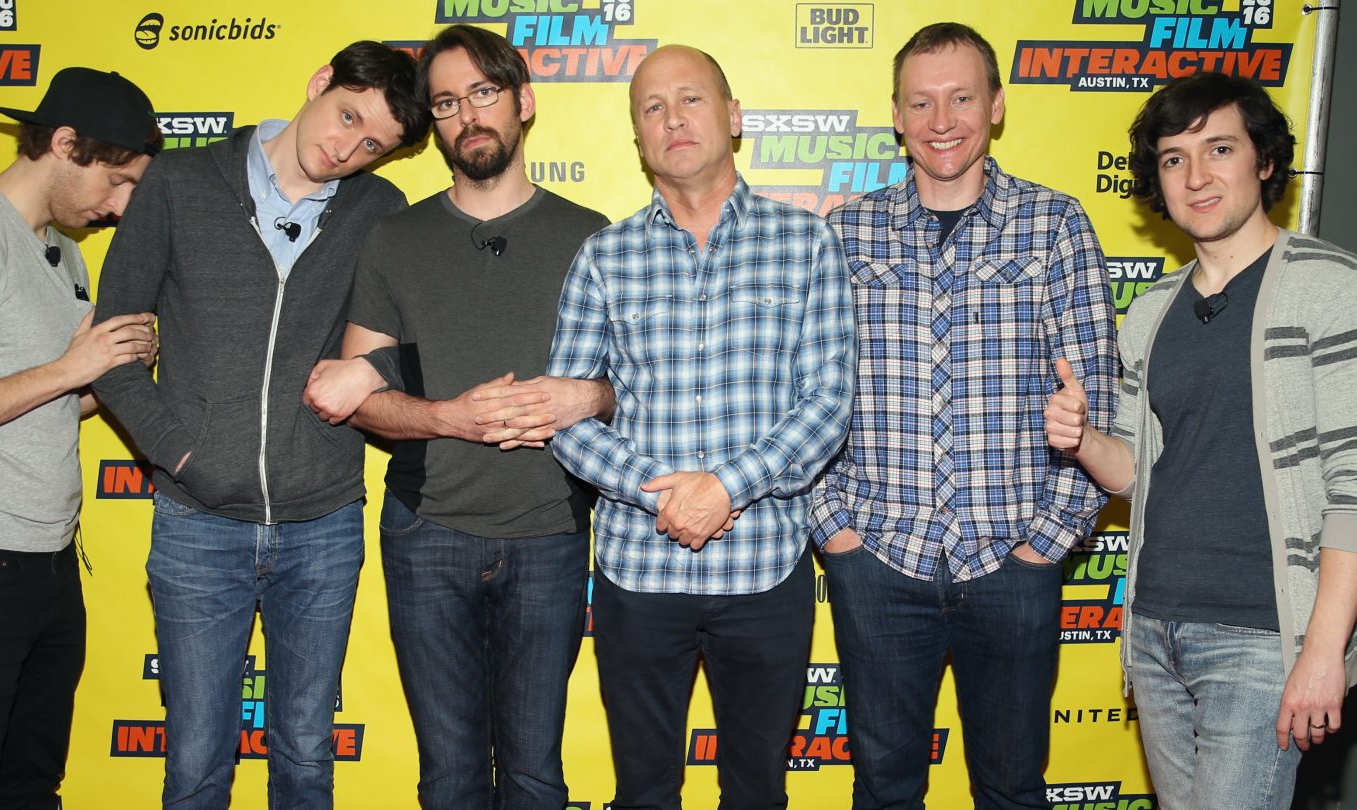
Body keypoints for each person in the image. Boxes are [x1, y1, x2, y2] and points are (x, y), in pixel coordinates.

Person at [89, 42, 429, 808]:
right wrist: (184, 455)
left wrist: (372, 372)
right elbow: (109, 354)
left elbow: (413, 347)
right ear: (318, 84)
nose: (346, 147)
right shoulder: (179, 182)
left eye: (372, 143)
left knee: (307, 756)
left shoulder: (379, 212)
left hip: (324, 521)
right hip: (196, 522)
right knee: (198, 762)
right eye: (346, 115)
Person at [300, 24, 612, 809]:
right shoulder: (394, 239)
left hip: (550, 532)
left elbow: (641, 387)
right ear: (432, 123)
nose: (467, 115)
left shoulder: (593, 237)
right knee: (449, 776)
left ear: (523, 102)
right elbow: (360, 391)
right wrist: (451, 417)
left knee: (537, 772)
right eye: (445, 102)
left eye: (484, 93)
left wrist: (591, 397)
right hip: (426, 533)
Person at [811, 22, 1117, 809]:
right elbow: (801, 392)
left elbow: (1098, 403)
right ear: (897, 114)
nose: (941, 119)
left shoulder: (1055, 226)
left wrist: (1044, 545)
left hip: (1013, 564)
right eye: (921, 102)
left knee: (1012, 789)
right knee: (883, 788)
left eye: (960, 98)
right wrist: (836, 533)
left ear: (997, 105)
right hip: (877, 559)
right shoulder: (844, 234)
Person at [545, 44, 854, 810]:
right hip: (637, 573)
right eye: (653, 107)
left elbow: (827, 404)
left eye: (690, 99)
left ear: (734, 116)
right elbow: (567, 416)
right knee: (644, 792)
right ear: (638, 136)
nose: (673, 118)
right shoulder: (603, 257)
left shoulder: (805, 243)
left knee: (757, 792)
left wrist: (725, 489)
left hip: (764, 571)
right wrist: (662, 495)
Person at [1044, 71, 1357, 809]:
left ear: (1266, 161)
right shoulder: (1152, 310)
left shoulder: (1329, 287)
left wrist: (1322, 652)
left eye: (1220, 148)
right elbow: (1133, 470)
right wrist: (1083, 438)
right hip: (1154, 628)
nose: (1197, 175)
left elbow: (1354, 489)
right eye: (1174, 158)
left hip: (1262, 635)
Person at [0, 67, 160, 809]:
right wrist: (67, 368)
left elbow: (49, 403)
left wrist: (103, 370)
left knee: (31, 783)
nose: (119, 207)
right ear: (63, 144)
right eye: (115, 183)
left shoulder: (63, 252)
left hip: (49, 560)